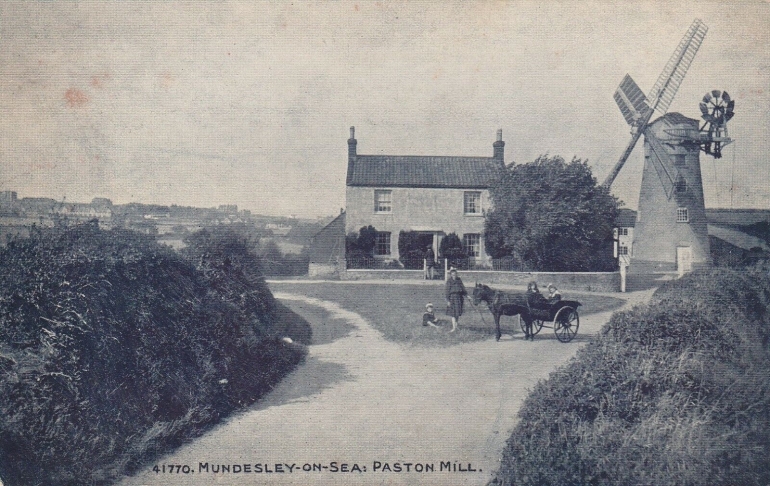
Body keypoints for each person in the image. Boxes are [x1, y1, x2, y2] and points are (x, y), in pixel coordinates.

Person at [445, 268, 467, 332]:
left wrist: (466, 295)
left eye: (455, 274)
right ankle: (453, 328)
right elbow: (447, 291)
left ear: (456, 274)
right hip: (452, 298)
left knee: (457, 313)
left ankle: (456, 327)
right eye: (453, 274)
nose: (454, 275)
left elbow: (463, 288)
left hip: (459, 298)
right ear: (451, 275)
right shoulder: (449, 281)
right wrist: (448, 300)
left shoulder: (459, 280)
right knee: (453, 314)